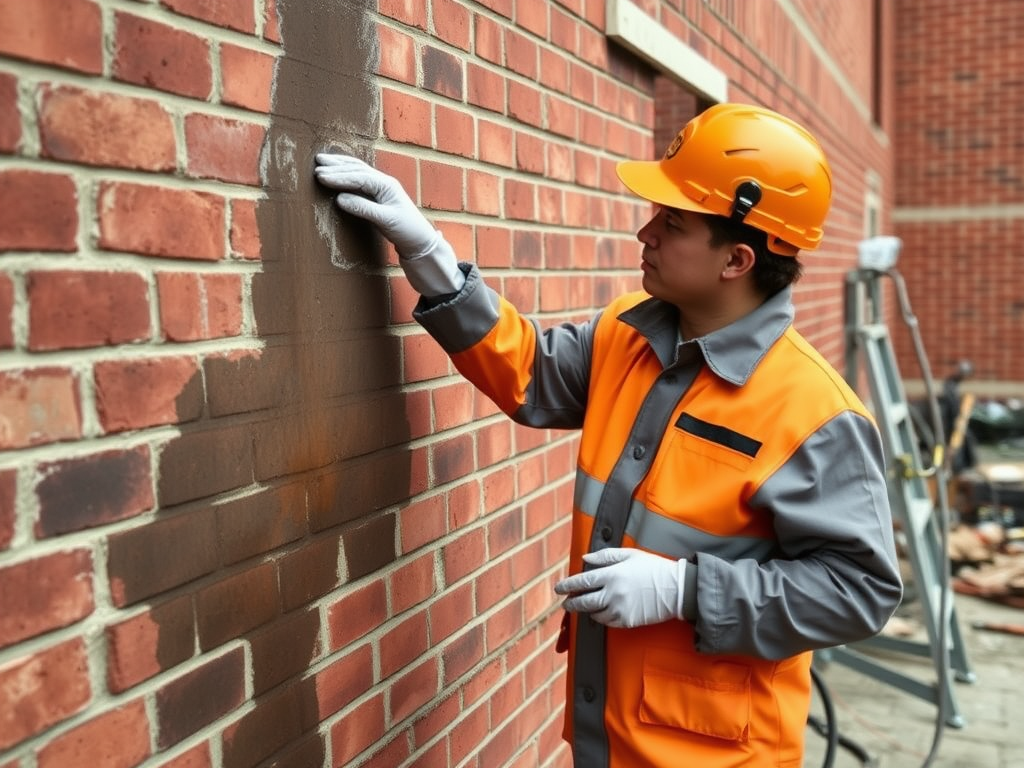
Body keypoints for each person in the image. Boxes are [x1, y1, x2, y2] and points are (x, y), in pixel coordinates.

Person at [315, 102, 903, 768]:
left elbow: (859, 591)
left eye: (672, 223)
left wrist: (684, 591)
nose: (644, 233)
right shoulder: (629, 331)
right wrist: (433, 261)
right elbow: (533, 374)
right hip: (605, 740)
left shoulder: (816, 412)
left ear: (737, 260)